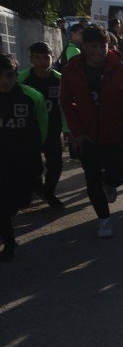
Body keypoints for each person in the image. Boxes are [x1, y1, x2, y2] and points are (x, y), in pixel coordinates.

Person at [60, 24, 123, 238]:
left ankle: (110, 184)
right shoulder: (71, 70)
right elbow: (66, 102)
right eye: (93, 46)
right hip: (86, 135)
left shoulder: (120, 67)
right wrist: (76, 132)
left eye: (103, 46)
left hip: (116, 133)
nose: (99, 51)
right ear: (83, 47)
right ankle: (104, 219)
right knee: (91, 178)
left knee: (116, 177)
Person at [0, 52, 48, 260]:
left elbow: (41, 125)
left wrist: (38, 149)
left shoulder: (31, 96)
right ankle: (9, 241)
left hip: (25, 157)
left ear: (16, 74)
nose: (4, 80)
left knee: (21, 200)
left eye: (9, 75)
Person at [19, 42, 65, 209]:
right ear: (31, 59)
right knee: (33, 167)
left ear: (52, 57)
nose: (43, 61)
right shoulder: (22, 79)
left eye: (46, 57)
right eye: (37, 57)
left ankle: (49, 192)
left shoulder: (60, 79)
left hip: (53, 131)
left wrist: (67, 130)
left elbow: (66, 106)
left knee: (56, 166)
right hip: (29, 132)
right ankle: (37, 188)